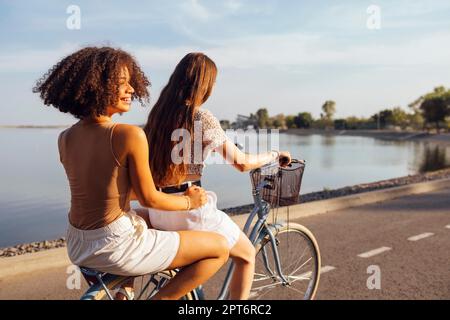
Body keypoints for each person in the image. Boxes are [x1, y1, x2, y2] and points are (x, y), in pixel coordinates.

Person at [33, 47, 230, 300]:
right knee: (218, 248)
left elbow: (112, 194)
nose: (132, 90)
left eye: (131, 83)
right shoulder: (128, 134)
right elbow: (151, 198)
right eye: (123, 83)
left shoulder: (66, 137)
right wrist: (190, 201)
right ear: (97, 86)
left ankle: (123, 291)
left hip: (78, 244)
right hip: (115, 246)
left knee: (139, 218)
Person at [144, 52, 291, 300]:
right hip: (190, 211)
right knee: (246, 255)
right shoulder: (201, 116)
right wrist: (274, 154)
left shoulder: (158, 116)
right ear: (205, 84)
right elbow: (242, 163)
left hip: (160, 211)